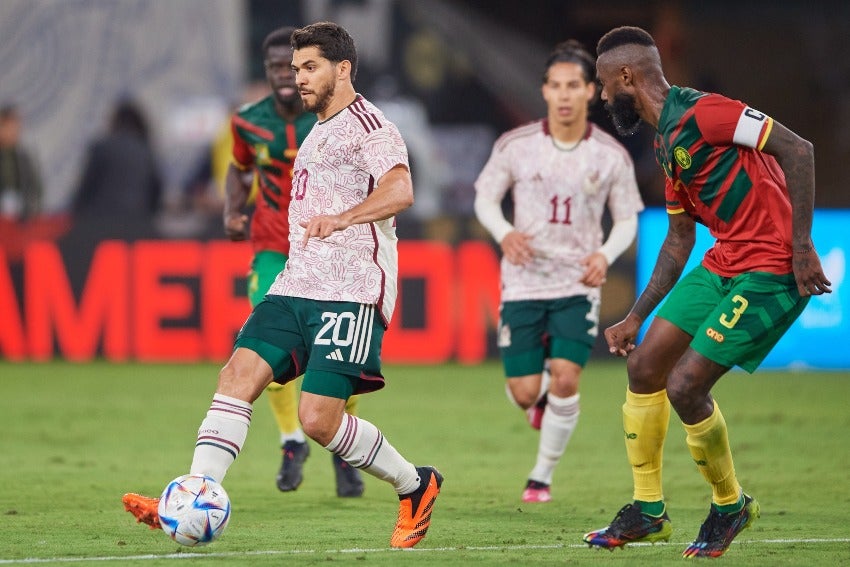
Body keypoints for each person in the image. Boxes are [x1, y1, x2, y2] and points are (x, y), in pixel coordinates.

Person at [123, 21, 443, 549]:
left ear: (343, 69)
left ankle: (416, 484)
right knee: (236, 375)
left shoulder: (371, 126)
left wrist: (344, 217)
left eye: (310, 67)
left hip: (351, 289)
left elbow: (401, 188)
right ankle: (194, 496)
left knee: (318, 420)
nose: (299, 79)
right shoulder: (316, 130)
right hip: (297, 282)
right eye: (296, 70)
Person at [583, 26, 832, 558]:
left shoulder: (708, 114)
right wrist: (634, 316)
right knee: (644, 365)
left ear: (627, 75)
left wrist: (802, 245)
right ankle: (649, 510)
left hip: (772, 269)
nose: (603, 97)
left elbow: (799, 150)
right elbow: (678, 240)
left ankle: (730, 504)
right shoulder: (667, 142)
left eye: (605, 85)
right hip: (723, 263)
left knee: (685, 384)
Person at [473, 40, 644, 504]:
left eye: (574, 86)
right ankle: (540, 399)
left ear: (591, 92)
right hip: (523, 281)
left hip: (576, 283)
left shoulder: (610, 156)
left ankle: (541, 477)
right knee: (526, 393)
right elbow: (485, 198)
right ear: (544, 91)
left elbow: (628, 218)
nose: (565, 95)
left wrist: (604, 255)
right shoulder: (515, 146)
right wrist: (505, 232)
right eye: (556, 86)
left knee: (568, 377)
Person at [222, 26, 364, 498]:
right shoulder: (247, 121)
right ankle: (290, 441)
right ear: (266, 71)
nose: (287, 75)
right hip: (270, 247)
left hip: (324, 249)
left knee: (334, 353)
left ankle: (344, 449)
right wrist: (232, 209)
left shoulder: (331, 119)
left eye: (297, 66)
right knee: (263, 344)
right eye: (277, 67)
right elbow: (239, 169)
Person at [72, 99, 162, 237]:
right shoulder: (145, 151)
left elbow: (85, 190)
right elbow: (156, 194)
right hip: (135, 226)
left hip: (99, 227)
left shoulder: (101, 148)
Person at [0, 104, 43, 220]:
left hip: (20, 221)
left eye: (16, 127)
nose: (14, 131)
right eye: (8, 127)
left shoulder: (23, 157)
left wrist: (31, 211)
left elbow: (35, 189)